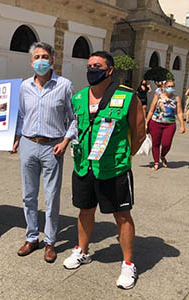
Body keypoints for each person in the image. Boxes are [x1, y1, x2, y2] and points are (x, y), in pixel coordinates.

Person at [63, 51, 145, 290]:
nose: (91, 69)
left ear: (109, 70)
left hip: (113, 169)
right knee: (85, 211)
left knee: (121, 216)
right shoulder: (78, 98)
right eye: (88, 65)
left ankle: (128, 264)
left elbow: (139, 134)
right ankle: (82, 250)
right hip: (83, 166)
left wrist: (122, 156)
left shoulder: (127, 97)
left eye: (97, 65)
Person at [12, 42, 76, 263]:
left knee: (51, 196)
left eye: (45, 56)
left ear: (52, 61)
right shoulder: (24, 87)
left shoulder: (64, 85)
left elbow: (73, 118)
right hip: (29, 144)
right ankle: (32, 237)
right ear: (31, 62)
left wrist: (66, 141)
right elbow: (20, 115)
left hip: (53, 147)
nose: (40, 60)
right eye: (37, 56)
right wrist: (17, 137)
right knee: (28, 195)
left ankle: (50, 241)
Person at [145, 80, 185, 170]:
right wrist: (146, 123)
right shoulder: (158, 96)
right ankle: (156, 162)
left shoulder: (176, 98)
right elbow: (151, 110)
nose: (170, 88)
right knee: (155, 143)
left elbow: (179, 112)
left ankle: (162, 156)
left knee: (166, 144)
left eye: (172, 86)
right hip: (155, 123)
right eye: (168, 86)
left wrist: (182, 125)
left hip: (170, 124)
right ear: (164, 87)